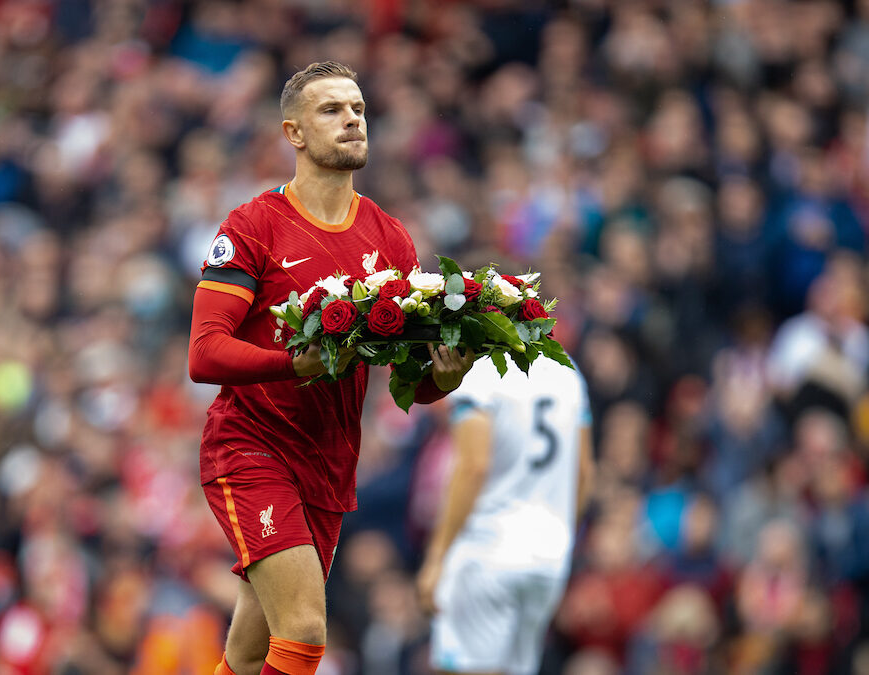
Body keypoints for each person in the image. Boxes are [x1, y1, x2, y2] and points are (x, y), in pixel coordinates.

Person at [187, 61, 474, 675]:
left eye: (359, 109)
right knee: (306, 633)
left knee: (247, 652)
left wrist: (442, 378)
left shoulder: (391, 240)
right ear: (293, 133)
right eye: (332, 110)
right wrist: (296, 364)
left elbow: (408, 378)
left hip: (330, 462)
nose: (351, 120)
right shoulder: (252, 226)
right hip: (251, 448)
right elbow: (204, 352)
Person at [417, 354, 594, 675]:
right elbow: (584, 471)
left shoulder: (478, 368)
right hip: (548, 557)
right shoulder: (565, 367)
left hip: (486, 552)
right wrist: (563, 540)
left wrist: (437, 557)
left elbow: (473, 467)